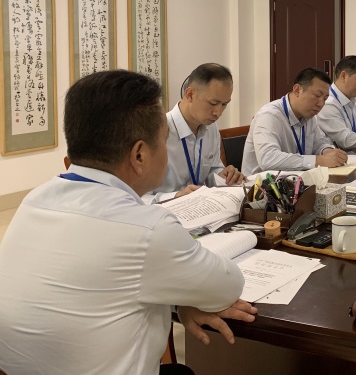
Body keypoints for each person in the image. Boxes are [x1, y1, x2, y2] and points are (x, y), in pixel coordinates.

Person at [0, 70, 257, 375]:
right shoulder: (148, 228)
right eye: (164, 141)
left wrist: (178, 301)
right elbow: (228, 286)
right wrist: (185, 297)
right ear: (139, 155)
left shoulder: (34, 200)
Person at [146, 63, 244, 204]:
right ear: (190, 94)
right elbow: (137, 197)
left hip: (200, 208)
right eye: (213, 103)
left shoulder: (211, 128)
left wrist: (222, 176)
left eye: (224, 104)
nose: (218, 113)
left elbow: (211, 170)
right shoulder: (156, 131)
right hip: (165, 210)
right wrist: (175, 196)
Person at [241, 67, 348, 174]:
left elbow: (320, 142)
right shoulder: (269, 116)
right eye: (317, 95)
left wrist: (328, 151)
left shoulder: (309, 115)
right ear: (297, 90)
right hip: (262, 182)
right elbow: (268, 158)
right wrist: (318, 160)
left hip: (296, 179)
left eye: (325, 98)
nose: (321, 104)